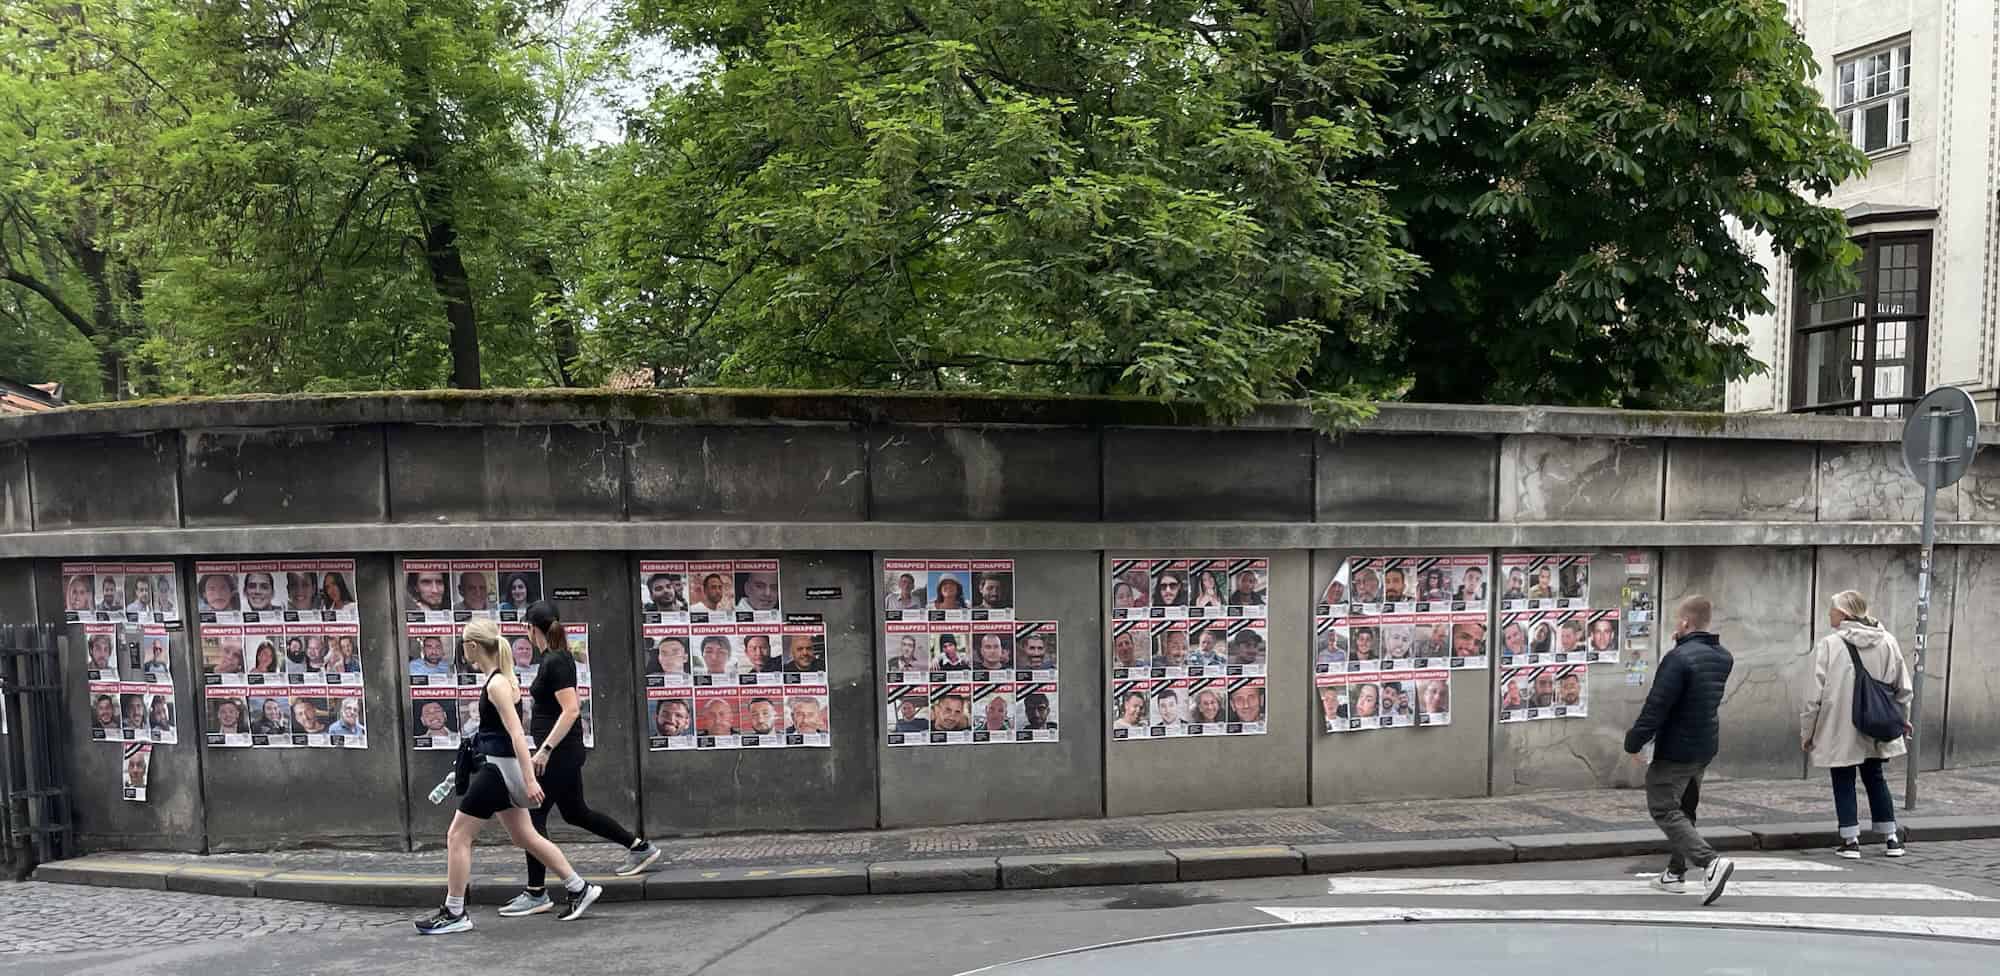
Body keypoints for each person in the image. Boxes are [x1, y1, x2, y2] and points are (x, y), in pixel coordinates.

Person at [416, 617, 603, 934]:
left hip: (498, 771)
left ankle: (455, 911)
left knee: (457, 836)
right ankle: (579, 887)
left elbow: (518, 734)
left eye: (464, 644)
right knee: (524, 836)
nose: (463, 650)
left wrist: (529, 779)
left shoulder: (498, 684)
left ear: (473, 646)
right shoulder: (497, 679)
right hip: (499, 768)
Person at [496, 601, 658, 917]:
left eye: (525, 627)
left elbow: (571, 710)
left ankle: (536, 892)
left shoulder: (555, 661)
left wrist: (545, 749)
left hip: (557, 755)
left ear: (531, 628)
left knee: (533, 819)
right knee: (575, 812)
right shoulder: (554, 659)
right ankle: (639, 848)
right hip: (563, 753)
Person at [1623, 595, 1736, 904]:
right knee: (1684, 810)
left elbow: (1658, 705)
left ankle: (1710, 863)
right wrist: (1680, 647)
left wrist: (1634, 741)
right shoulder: (1722, 656)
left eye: (1678, 620)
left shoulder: (1679, 658)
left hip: (1675, 749)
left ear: (1685, 622)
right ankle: (1674, 873)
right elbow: (1692, 692)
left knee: (1663, 807)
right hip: (1704, 745)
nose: (1676, 624)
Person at [1801, 590, 1914, 860]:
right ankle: (1891, 838)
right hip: (1876, 724)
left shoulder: (1830, 645)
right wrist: (1902, 718)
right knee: (1875, 777)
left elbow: (1812, 696)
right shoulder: (1887, 641)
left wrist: (1808, 732)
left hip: (1839, 727)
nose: (1829, 614)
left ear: (1844, 614)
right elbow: (1903, 687)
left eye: (1832, 610)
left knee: (1843, 778)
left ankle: (1850, 841)